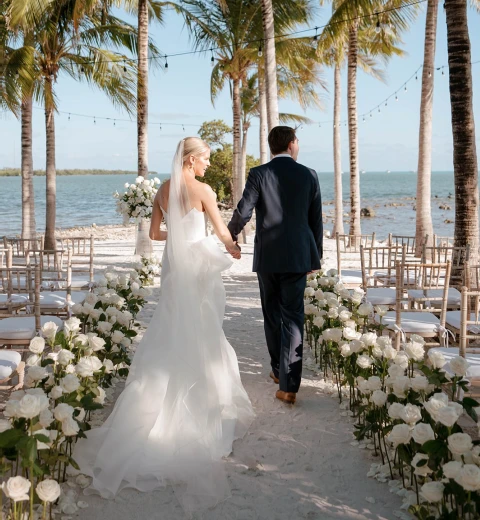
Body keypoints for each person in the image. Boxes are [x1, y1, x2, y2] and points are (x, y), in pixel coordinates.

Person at [74, 138, 254, 518]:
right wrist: (230, 249)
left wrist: (184, 240)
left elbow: (156, 235)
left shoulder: (162, 189)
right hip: (198, 269)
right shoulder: (202, 189)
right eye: (205, 158)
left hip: (175, 267)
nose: (208, 164)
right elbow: (222, 232)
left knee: (172, 324)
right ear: (191, 159)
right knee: (203, 327)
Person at [227, 126, 323, 405]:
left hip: (268, 257)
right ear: (292, 144)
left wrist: (230, 236)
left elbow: (243, 211)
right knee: (293, 316)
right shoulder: (309, 175)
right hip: (298, 257)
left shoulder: (259, 173)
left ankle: (278, 370)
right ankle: (289, 385)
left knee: (271, 314)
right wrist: (313, 257)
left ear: (272, 147)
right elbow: (315, 220)